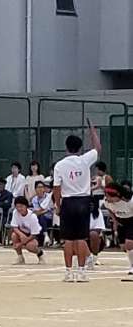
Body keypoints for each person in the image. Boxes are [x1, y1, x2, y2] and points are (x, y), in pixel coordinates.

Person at [53, 121, 101, 283]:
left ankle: (68, 272)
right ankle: (81, 272)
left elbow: (56, 188)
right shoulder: (84, 160)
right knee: (81, 238)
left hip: (68, 201)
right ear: (80, 148)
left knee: (68, 239)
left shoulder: (60, 165)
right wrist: (92, 132)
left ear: (66, 148)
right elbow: (97, 148)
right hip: (83, 200)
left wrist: (58, 205)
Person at [104, 182, 133, 277]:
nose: (108, 199)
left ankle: (132, 266)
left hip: (131, 220)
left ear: (118, 195)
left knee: (129, 244)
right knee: (123, 246)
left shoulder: (130, 202)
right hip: (121, 221)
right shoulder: (107, 202)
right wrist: (115, 221)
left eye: (110, 197)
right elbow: (109, 210)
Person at [11, 196, 45, 265]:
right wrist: (21, 235)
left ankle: (40, 254)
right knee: (14, 235)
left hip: (35, 235)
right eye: (17, 207)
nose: (19, 209)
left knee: (30, 246)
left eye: (21, 206)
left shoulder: (32, 216)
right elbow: (14, 227)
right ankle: (20, 257)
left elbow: (34, 234)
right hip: (23, 233)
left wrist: (21, 244)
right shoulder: (15, 212)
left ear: (26, 206)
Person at [87, 199, 106, 269]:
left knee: (93, 234)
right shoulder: (79, 211)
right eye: (89, 204)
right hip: (80, 237)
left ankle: (94, 257)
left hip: (93, 238)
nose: (91, 206)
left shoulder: (98, 212)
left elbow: (98, 229)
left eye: (92, 204)